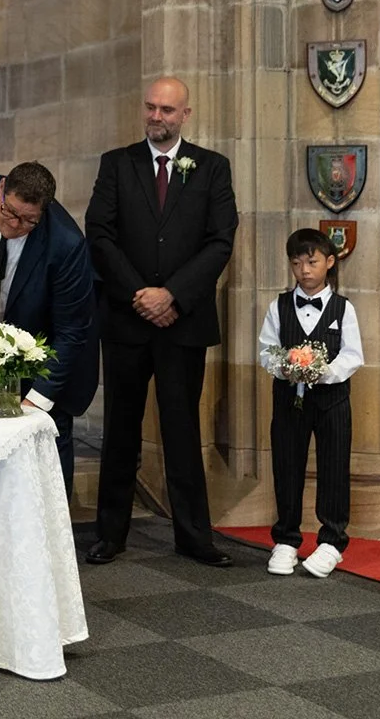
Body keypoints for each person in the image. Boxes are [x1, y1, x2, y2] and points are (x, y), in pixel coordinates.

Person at [84, 76, 239, 566]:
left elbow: (221, 239)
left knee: (181, 430)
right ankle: (110, 533)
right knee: (121, 429)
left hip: (183, 321)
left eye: (167, 110)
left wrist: (172, 294)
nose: (157, 117)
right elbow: (100, 233)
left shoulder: (212, 168)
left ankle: (195, 538)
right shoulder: (117, 164)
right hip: (128, 320)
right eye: (150, 107)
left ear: (185, 115)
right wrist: (140, 294)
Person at [0, 163, 98, 500]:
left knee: (45, 453)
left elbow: (71, 332)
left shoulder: (66, 243)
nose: (15, 225)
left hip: (41, 358)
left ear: (44, 211)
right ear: (0, 191)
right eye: (9, 212)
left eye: (28, 220)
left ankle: (52, 546)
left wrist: (34, 404)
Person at [258, 229, 363, 578]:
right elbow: (266, 350)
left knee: (334, 467)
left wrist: (323, 371)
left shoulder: (342, 308)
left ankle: (332, 541)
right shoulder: (279, 306)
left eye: (312, 261)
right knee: (287, 465)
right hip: (289, 399)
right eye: (296, 262)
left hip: (332, 402)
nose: (304, 270)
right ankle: (286, 539)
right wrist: (286, 366)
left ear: (329, 262)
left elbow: (352, 356)